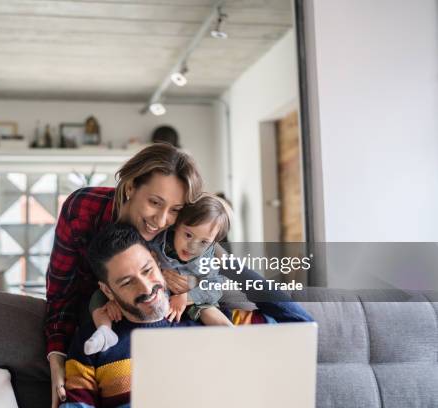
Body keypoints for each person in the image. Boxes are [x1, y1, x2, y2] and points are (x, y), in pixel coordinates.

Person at [60, 223, 311, 408]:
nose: (147, 289)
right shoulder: (94, 342)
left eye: (148, 270)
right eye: (127, 282)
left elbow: (301, 328)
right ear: (107, 290)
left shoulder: (209, 319)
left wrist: (231, 266)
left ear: (159, 264)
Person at [45, 143, 204, 407]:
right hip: (96, 324)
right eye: (154, 202)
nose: (162, 220)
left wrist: (192, 286)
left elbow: (224, 269)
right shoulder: (83, 209)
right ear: (130, 187)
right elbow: (61, 293)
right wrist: (57, 356)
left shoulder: (181, 230)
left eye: (175, 209)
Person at [83, 194, 235, 355]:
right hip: (159, 292)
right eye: (188, 235)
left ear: (213, 243)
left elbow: (216, 286)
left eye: (204, 242)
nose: (192, 246)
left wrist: (187, 296)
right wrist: (114, 300)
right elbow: (135, 262)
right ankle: (104, 331)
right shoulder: (157, 240)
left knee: (207, 309)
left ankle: (233, 336)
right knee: (98, 298)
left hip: (191, 299)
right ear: (177, 225)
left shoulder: (207, 258)